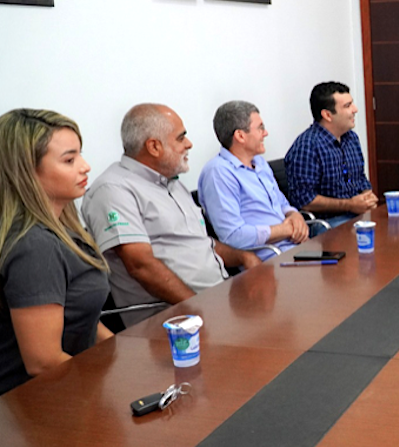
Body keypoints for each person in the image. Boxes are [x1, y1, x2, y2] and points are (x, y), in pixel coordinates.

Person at [82, 104, 261, 327]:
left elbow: (198, 244)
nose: (189, 144)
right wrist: (200, 309)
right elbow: (141, 265)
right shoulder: (113, 190)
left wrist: (244, 257)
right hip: (173, 321)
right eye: (180, 138)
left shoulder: (172, 184)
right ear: (154, 146)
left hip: (217, 301)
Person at [0, 109, 112, 395]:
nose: (85, 167)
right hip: (37, 408)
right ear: (27, 171)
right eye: (69, 160)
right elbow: (44, 362)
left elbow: (82, 316)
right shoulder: (36, 246)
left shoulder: (63, 227)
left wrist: (123, 357)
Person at [198, 101, 308, 261]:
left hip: (296, 247)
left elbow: (282, 204)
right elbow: (233, 236)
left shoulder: (260, 163)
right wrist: (284, 230)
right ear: (240, 136)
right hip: (269, 259)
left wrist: (295, 215)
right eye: (260, 128)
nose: (266, 133)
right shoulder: (218, 173)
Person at [285, 82, 377, 234]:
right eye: (348, 106)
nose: (355, 110)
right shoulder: (307, 146)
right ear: (327, 115)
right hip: (327, 222)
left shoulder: (351, 138)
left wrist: (368, 197)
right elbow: (305, 201)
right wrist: (349, 205)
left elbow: (360, 179)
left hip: (357, 214)